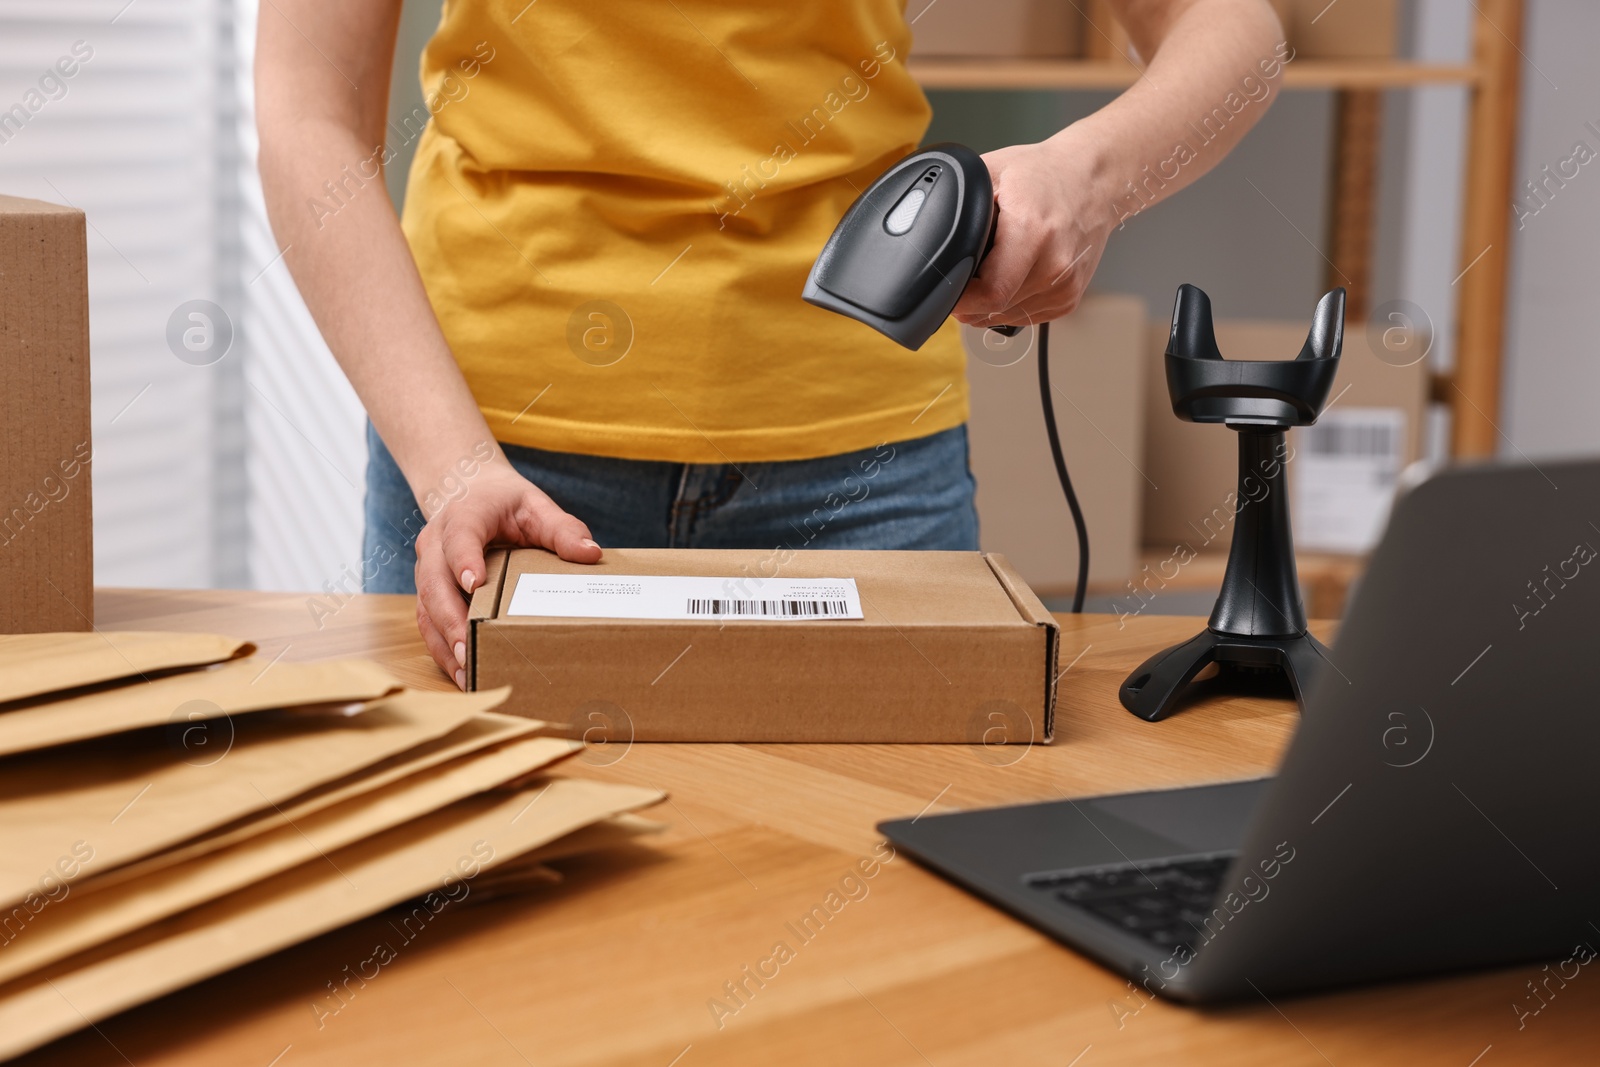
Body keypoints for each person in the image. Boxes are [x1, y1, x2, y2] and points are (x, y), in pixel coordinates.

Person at [256, 0, 1288, 688]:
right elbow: (308, 114)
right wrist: (452, 466)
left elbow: (1233, 28)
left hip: (861, 468)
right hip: (489, 461)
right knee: (469, 937)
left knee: (880, 943)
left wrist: (1091, 177)